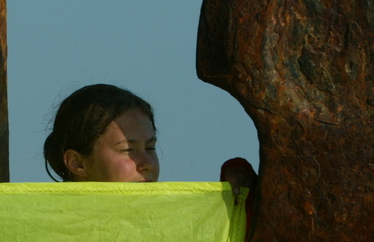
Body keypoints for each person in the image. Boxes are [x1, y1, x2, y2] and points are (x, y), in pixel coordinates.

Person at [43, 82, 255, 197]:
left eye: (150, 147)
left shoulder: (173, 226)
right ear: (77, 163)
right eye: (128, 149)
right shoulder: (38, 232)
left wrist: (247, 198)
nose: (147, 164)